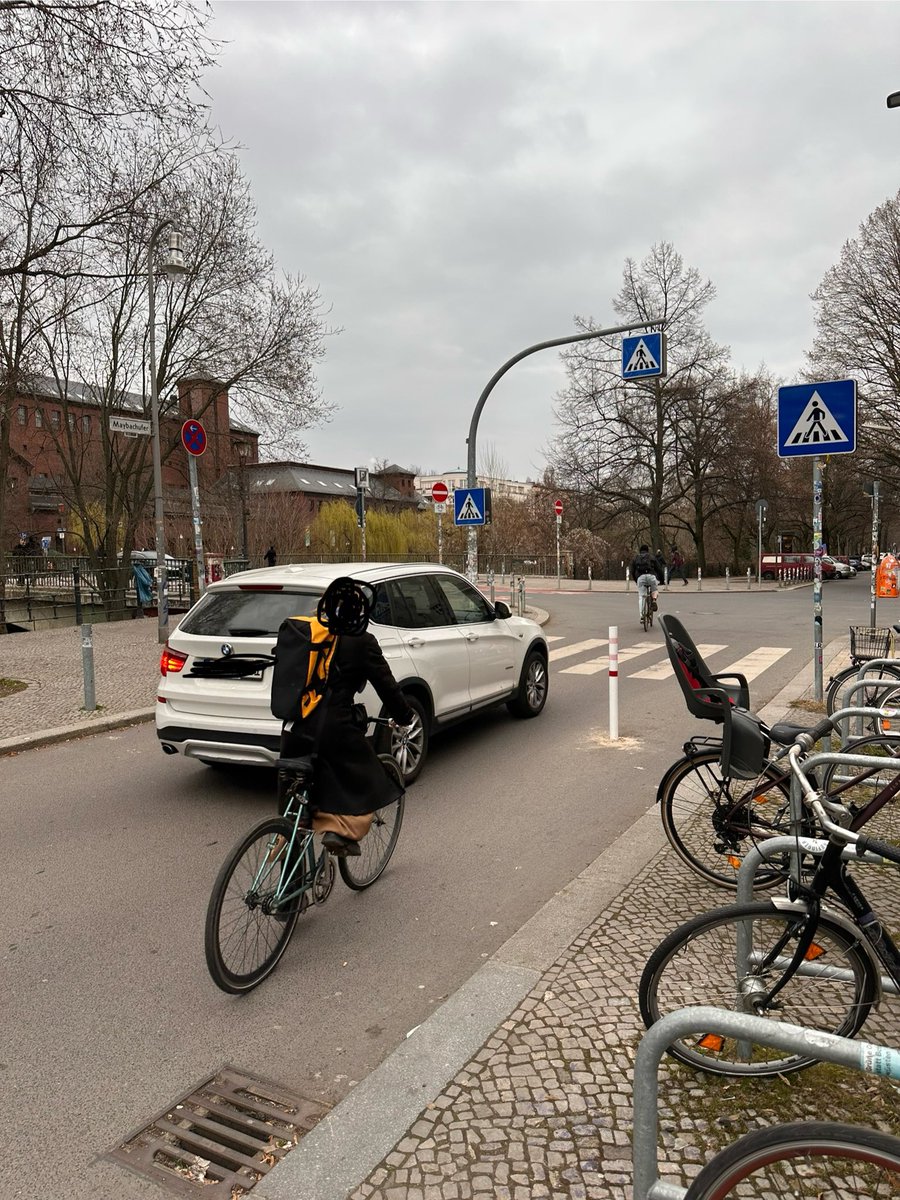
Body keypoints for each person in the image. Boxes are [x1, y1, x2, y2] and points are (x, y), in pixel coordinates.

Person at [277, 578, 416, 857]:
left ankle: (286, 869)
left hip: (294, 727)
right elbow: (387, 686)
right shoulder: (362, 641)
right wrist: (404, 716)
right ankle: (340, 832)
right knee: (371, 780)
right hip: (333, 729)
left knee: (292, 815)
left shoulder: (306, 633)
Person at [631, 544, 664, 619]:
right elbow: (659, 569)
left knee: (641, 596)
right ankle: (654, 600)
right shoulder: (652, 557)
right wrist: (662, 580)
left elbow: (632, 571)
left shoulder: (636, 558)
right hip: (651, 576)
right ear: (647, 550)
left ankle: (642, 616)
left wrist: (636, 580)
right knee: (654, 590)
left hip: (641, 578)